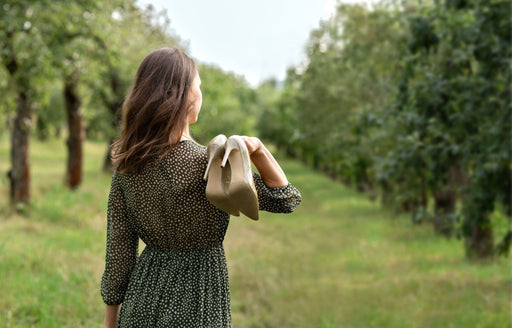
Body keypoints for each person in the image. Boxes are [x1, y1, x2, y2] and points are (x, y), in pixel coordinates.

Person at [101, 47, 301, 328]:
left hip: (140, 305)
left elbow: (118, 256)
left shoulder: (126, 169)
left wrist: (111, 324)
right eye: (199, 86)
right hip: (199, 305)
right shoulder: (210, 166)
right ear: (184, 98)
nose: (201, 94)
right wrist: (257, 149)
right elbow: (287, 199)